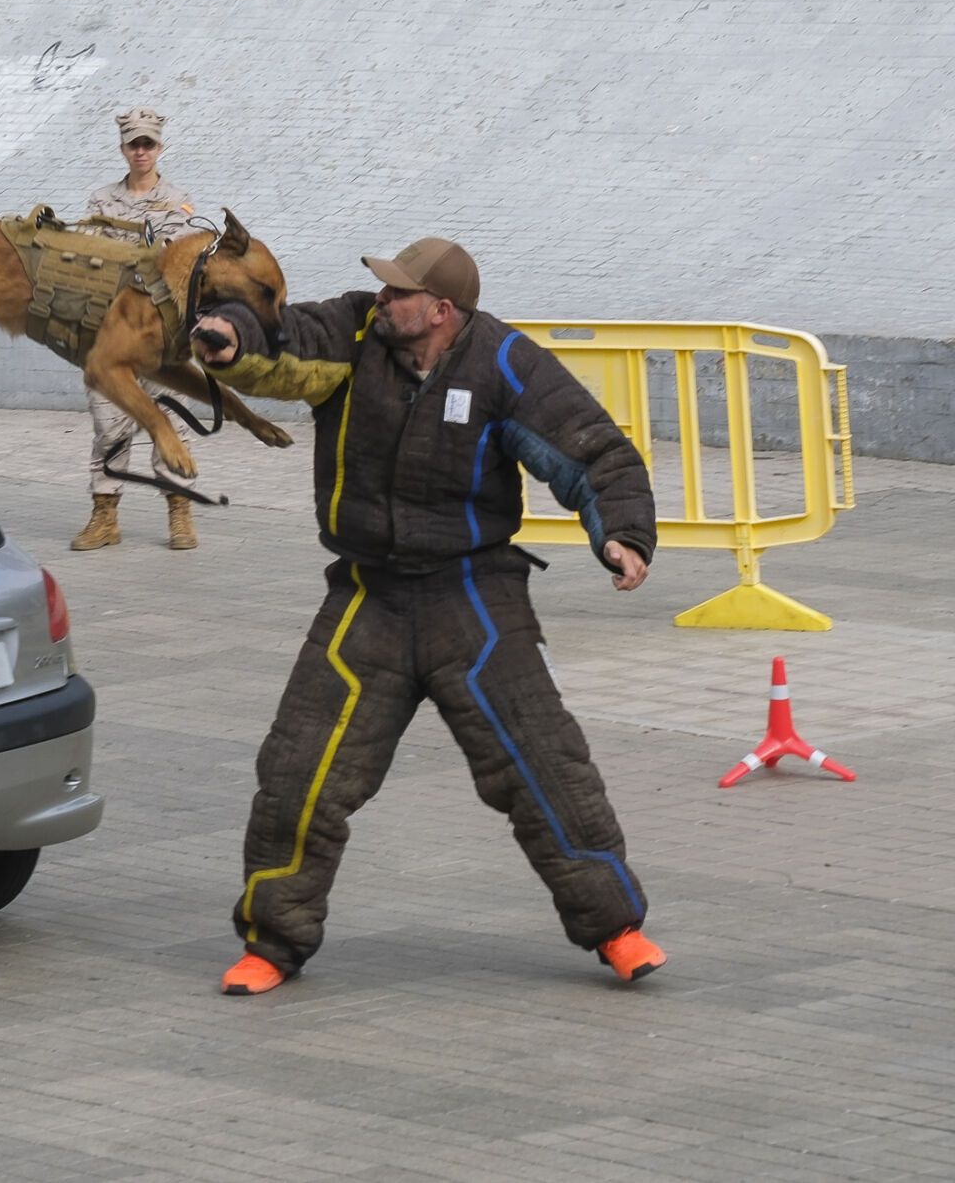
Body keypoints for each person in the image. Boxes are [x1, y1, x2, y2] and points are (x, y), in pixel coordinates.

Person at [189, 237, 666, 997]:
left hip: (474, 599)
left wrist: (622, 535)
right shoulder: (352, 334)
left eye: (398, 292)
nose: (381, 300)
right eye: (382, 288)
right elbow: (282, 342)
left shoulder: (508, 363)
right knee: (297, 775)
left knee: (547, 769)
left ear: (442, 311)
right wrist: (229, 336)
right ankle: (272, 943)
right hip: (366, 599)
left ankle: (617, 929)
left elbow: (595, 453)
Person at [72, 107, 203, 553]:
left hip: (162, 336)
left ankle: (180, 514)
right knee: (110, 428)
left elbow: (180, 261)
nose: (141, 151)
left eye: (148, 143)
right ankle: (104, 517)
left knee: (171, 423)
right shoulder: (101, 201)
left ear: (159, 148)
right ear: (123, 149)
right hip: (111, 334)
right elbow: (91, 256)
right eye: (134, 144)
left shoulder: (178, 200)